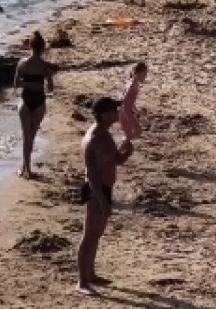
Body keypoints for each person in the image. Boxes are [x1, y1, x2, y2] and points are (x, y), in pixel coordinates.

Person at [77, 97, 133, 296]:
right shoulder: (96, 138)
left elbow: (113, 161)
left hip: (103, 188)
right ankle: (82, 282)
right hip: (96, 190)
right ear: (104, 114)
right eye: (114, 110)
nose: (118, 113)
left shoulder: (104, 134)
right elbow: (92, 173)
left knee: (96, 235)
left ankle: (91, 275)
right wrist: (101, 200)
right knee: (89, 236)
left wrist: (126, 152)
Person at [13, 32, 54, 179]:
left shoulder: (22, 63)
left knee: (26, 136)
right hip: (39, 102)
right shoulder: (45, 66)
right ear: (43, 48)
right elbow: (50, 88)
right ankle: (27, 169)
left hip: (25, 101)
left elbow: (16, 84)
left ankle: (26, 168)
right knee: (32, 135)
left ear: (29, 45)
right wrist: (39, 83)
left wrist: (29, 83)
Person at [119, 63, 147, 140]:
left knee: (132, 134)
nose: (145, 77)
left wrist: (136, 111)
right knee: (135, 133)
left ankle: (121, 146)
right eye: (144, 74)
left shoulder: (131, 83)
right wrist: (132, 118)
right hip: (126, 112)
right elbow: (125, 101)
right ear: (138, 73)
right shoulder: (133, 85)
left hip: (125, 111)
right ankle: (119, 147)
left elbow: (128, 101)